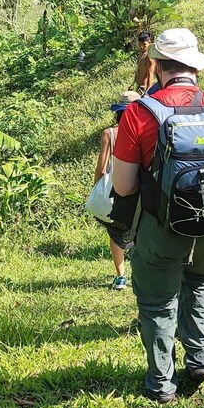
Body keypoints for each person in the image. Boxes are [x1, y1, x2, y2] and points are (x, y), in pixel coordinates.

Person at [111, 28, 204, 403]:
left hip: (159, 229)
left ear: (157, 66)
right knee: (203, 282)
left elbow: (124, 187)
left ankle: (161, 384)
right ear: (195, 67)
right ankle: (201, 358)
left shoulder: (140, 114)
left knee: (158, 303)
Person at [94, 90, 140, 290]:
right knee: (140, 230)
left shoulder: (109, 134)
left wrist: (96, 188)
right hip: (140, 186)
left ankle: (121, 276)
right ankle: (141, 273)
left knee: (115, 232)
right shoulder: (144, 131)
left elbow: (101, 167)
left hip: (115, 188)